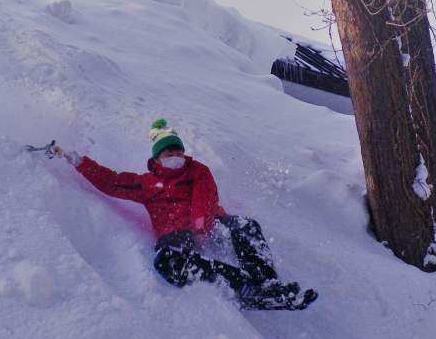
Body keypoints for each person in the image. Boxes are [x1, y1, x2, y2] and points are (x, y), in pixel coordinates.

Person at [52, 119, 316, 310]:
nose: (177, 155)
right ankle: (243, 286)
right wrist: (78, 161)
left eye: (179, 150)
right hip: (175, 235)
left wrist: (201, 224)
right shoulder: (146, 184)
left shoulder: (196, 171)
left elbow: (206, 194)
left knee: (246, 226)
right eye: (170, 152)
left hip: (213, 224)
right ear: (158, 158)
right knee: (168, 261)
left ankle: (267, 283)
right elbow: (111, 182)